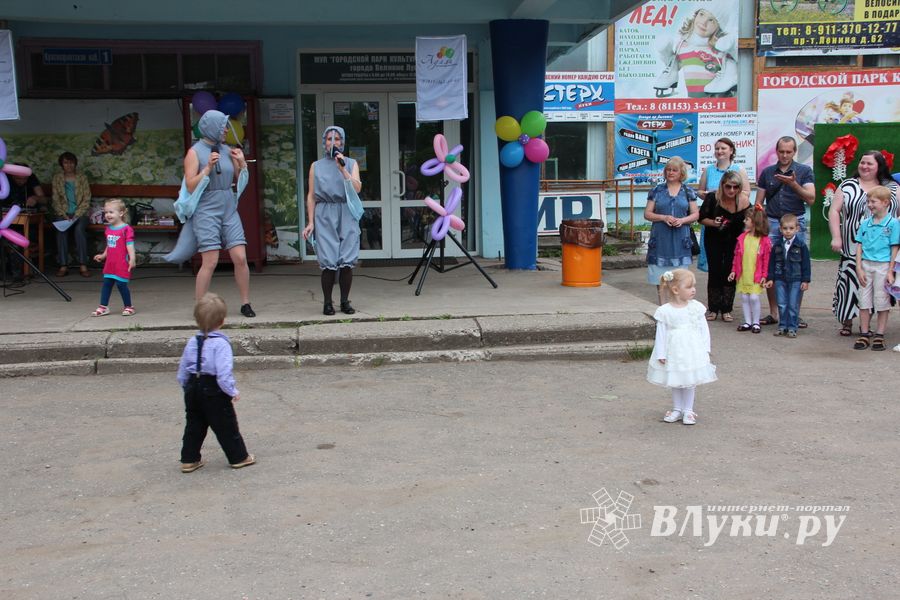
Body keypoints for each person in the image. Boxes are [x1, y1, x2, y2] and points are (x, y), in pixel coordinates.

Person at [175, 109, 255, 318]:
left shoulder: (227, 149)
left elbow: (237, 177)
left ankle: (245, 303)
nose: (227, 129)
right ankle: (200, 308)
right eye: (223, 126)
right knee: (210, 261)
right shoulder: (194, 153)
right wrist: (207, 168)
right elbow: (191, 186)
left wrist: (241, 162)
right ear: (211, 127)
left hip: (228, 207)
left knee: (240, 257)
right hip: (206, 209)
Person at [177, 293, 256, 473]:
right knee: (226, 425)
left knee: (194, 424)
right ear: (222, 321)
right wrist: (231, 391)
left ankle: (189, 459)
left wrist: (186, 387)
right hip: (213, 389)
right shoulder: (221, 344)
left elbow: (183, 368)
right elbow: (223, 373)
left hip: (193, 386)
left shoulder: (192, 341)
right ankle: (238, 457)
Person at [827, 150, 899, 337]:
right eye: (862, 162)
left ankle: (869, 327)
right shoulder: (847, 185)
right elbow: (834, 211)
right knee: (849, 283)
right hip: (852, 247)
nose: (864, 166)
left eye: (870, 164)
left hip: (882, 251)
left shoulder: (892, 188)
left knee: (877, 288)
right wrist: (836, 237)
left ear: (879, 167)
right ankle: (847, 322)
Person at [755, 136, 815, 328]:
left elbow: (811, 198)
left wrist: (793, 184)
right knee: (772, 266)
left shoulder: (804, 171)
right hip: (773, 222)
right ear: (776, 151)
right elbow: (759, 202)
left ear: (794, 151)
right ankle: (775, 312)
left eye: (788, 151)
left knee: (796, 267)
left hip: (795, 222)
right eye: (781, 151)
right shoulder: (767, 172)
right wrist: (759, 221)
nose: (784, 155)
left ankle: (793, 314)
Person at [302, 125, 362, 316]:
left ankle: (345, 301)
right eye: (329, 139)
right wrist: (310, 222)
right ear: (324, 142)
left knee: (347, 259)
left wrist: (343, 169)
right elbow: (311, 196)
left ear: (342, 142)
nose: (333, 143)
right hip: (325, 212)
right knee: (328, 259)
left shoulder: (351, 163)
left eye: (337, 139)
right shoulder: (316, 166)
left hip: (346, 210)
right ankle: (327, 303)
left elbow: (357, 189)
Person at [647, 269, 717, 426]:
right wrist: (661, 353)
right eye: (689, 287)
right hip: (674, 350)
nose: (693, 290)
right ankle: (677, 408)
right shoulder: (665, 311)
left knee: (689, 380)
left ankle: (688, 410)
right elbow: (661, 334)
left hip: (692, 350)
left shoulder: (696, 307)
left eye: (694, 286)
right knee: (676, 378)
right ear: (676, 290)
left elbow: (703, 329)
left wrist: (705, 348)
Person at [643, 156, 700, 305]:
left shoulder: (688, 191)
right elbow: (647, 213)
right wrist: (663, 217)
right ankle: (663, 307)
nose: (670, 172)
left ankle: (679, 306)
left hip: (680, 239)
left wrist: (682, 220)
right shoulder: (656, 190)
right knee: (659, 276)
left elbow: (695, 214)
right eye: (668, 169)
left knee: (680, 277)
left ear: (681, 172)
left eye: (674, 170)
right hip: (661, 237)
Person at [698, 170, 749, 322]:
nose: (731, 190)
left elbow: (751, 220)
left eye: (735, 187)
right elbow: (701, 218)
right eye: (728, 187)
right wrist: (714, 223)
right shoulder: (712, 198)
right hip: (714, 238)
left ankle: (727, 308)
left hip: (734, 240)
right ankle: (713, 308)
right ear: (722, 185)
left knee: (730, 271)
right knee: (715, 271)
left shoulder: (743, 201)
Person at [852, 186, 900, 351]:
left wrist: (890, 270)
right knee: (864, 300)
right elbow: (859, 245)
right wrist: (858, 267)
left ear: (885, 203)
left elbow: (895, 247)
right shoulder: (865, 223)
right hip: (866, 264)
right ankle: (864, 333)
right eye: (868, 201)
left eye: (873, 201)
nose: (870, 205)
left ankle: (880, 334)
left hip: (883, 265)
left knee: (882, 300)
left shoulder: (893, 224)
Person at [652, 7, 737, 99]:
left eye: (711, 20)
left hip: (715, 103)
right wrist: (665, 52)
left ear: (719, 27)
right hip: (692, 101)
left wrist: (731, 47)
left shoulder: (720, 50)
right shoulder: (683, 47)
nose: (703, 22)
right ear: (695, 15)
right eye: (701, 14)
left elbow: (734, 68)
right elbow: (673, 65)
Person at [696, 137, 751, 272]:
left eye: (723, 148)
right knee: (714, 262)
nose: (719, 151)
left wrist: (727, 194)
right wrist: (711, 194)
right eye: (717, 148)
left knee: (730, 261)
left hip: (732, 218)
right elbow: (700, 191)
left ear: (731, 151)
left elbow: (746, 192)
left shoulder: (739, 169)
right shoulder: (708, 170)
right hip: (713, 219)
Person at [766, 214, 811, 338]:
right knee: (781, 303)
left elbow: (806, 264)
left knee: (792, 304)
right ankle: (782, 326)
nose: (788, 231)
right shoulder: (777, 245)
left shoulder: (801, 245)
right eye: (785, 228)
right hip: (780, 278)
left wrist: (805, 280)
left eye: (791, 228)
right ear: (780, 229)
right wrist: (770, 278)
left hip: (796, 279)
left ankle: (792, 327)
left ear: (797, 229)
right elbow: (772, 262)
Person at [729, 205, 772, 334]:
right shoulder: (742, 238)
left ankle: (756, 322)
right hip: (744, 274)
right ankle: (748, 321)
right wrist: (733, 271)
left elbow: (766, 259)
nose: (744, 221)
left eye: (746, 219)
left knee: (754, 297)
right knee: (744, 297)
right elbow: (737, 255)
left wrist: (765, 274)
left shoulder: (764, 241)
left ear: (754, 222)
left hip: (756, 275)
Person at [90, 199, 136, 317]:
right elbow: (109, 245)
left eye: (111, 212)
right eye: (106, 212)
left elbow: (129, 245)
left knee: (121, 285)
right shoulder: (108, 228)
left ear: (121, 213)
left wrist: (132, 258)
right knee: (107, 283)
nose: (108, 215)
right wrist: (103, 255)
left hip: (121, 263)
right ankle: (103, 307)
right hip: (110, 263)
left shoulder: (126, 229)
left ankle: (129, 306)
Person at [51, 151, 92, 277]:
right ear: (61, 164)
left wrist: (77, 214)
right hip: (63, 213)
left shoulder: (82, 177)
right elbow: (55, 199)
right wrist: (63, 214)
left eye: (71, 162)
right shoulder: (57, 178)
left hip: (80, 213)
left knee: (79, 230)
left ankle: (83, 264)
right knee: (61, 231)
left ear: (75, 163)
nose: (69, 165)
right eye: (66, 162)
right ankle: (63, 265)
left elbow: (87, 198)